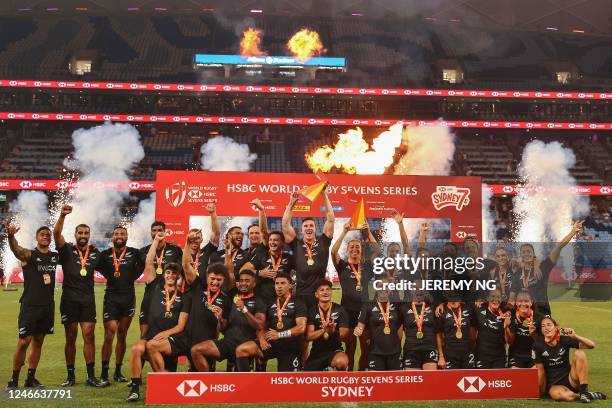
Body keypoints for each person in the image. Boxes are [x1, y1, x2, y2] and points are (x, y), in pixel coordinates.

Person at [126, 232, 188, 402]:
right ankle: (135, 388)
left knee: (166, 370)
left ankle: (165, 382)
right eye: (167, 273)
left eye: (174, 274)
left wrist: (167, 334)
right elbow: (148, 262)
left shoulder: (183, 295)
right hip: (151, 335)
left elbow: (182, 323)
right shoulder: (155, 287)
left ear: (178, 277)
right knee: (137, 349)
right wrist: (156, 241)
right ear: (164, 274)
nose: (170, 276)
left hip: (171, 339)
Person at [53, 205, 103, 387]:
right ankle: (70, 376)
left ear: (89, 236)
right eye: (80, 233)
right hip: (69, 300)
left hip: (87, 300)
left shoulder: (96, 253)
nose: (83, 235)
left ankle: (91, 376)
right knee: (71, 336)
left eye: (86, 233)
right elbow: (56, 234)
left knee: (89, 335)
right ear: (75, 235)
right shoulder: (66, 250)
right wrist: (62, 215)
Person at [5, 225, 58, 389]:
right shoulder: (29, 255)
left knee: (38, 342)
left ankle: (30, 379)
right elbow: (16, 249)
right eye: (42, 234)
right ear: (37, 237)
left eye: (48, 235)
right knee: (23, 342)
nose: (46, 237)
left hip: (47, 306)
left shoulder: (55, 257)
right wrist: (11, 236)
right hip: (30, 305)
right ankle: (13, 381)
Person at [187, 269, 265, 372]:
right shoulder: (231, 297)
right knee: (196, 350)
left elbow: (259, 325)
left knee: (240, 382)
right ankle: (207, 380)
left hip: (245, 346)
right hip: (227, 343)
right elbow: (223, 327)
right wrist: (220, 319)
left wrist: (244, 309)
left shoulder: (259, 301)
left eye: (247, 281)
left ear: (254, 284)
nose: (243, 283)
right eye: (241, 281)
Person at [96, 226, 144, 385]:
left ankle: (117, 371)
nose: (119, 236)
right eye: (116, 233)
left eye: (122, 234)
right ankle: (104, 373)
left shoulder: (135, 253)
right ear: (112, 237)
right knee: (109, 334)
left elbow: (142, 267)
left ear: (127, 236)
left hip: (128, 298)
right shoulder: (104, 255)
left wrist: (132, 276)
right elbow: (96, 266)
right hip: (111, 299)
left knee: (122, 335)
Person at [331, 221, 379, 371]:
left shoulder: (368, 266)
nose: (354, 249)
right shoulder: (343, 266)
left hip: (365, 312)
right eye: (351, 247)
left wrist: (369, 232)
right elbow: (333, 252)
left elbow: (377, 251)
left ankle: (361, 376)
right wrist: (344, 232)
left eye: (357, 247)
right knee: (350, 348)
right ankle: (349, 378)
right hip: (347, 312)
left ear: (361, 250)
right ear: (347, 249)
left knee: (366, 348)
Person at [235, 272, 307, 372]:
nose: (279, 286)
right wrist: (261, 339)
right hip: (271, 343)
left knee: (285, 382)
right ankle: (247, 383)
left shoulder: (299, 302)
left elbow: (301, 328)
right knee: (241, 350)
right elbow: (261, 325)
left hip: (290, 347)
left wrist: (279, 335)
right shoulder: (269, 302)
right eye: (277, 283)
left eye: (283, 283)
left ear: (290, 285)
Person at [510, 221, 584, 315]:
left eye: (529, 251)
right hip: (524, 314)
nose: (526, 254)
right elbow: (512, 296)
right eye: (523, 252)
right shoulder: (517, 273)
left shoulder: (543, 267)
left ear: (533, 255)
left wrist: (573, 232)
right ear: (521, 255)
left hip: (542, 313)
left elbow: (558, 247)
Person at [281, 190, 335, 311]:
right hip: (301, 295)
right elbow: (285, 225)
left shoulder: (324, 241)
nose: (309, 228)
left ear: (316, 228)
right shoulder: (296, 244)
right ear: (301, 230)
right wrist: (291, 203)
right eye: (306, 226)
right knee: (302, 327)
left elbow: (331, 219)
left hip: (320, 294)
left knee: (317, 327)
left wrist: (324, 195)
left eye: (311, 225)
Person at [534, 316, 606, 403]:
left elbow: (591, 345)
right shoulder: (538, 346)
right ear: (541, 330)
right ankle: (585, 395)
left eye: (549, 325)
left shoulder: (564, 340)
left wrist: (575, 336)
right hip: (554, 385)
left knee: (579, 353)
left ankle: (584, 391)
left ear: (556, 327)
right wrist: (541, 391)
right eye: (543, 326)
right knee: (563, 396)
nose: (546, 328)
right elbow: (540, 370)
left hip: (571, 379)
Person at [138, 221, 182, 340]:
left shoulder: (175, 250)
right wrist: (156, 241)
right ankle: (142, 356)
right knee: (144, 334)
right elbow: (148, 263)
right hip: (151, 294)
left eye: (160, 230)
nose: (157, 233)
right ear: (151, 233)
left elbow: (180, 273)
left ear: (165, 232)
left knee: (168, 333)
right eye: (154, 230)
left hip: (169, 296)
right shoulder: (143, 251)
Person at [304, 280, 349, 371]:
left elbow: (344, 335)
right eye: (322, 290)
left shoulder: (340, 310)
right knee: (308, 379)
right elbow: (308, 336)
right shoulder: (312, 311)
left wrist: (333, 332)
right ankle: (326, 369)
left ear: (331, 292)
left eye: (328, 289)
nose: (325, 292)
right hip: (316, 353)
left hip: (335, 351)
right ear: (316, 294)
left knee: (342, 362)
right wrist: (324, 330)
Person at [354, 288, 402, 371]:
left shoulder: (397, 305)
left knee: (395, 382)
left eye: (386, 287)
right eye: (380, 287)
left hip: (394, 352)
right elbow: (360, 325)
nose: (383, 289)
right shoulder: (368, 305)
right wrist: (358, 330)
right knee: (376, 382)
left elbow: (401, 325)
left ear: (390, 290)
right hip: (375, 352)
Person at [241, 231, 293, 306]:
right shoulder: (261, 255)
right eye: (270, 240)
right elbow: (243, 270)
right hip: (264, 299)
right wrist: (260, 272)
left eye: (275, 240)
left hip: (283, 299)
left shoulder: (289, 257)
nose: (272, 242)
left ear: (282, 243)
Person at [436, 292, 477, 369]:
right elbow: (439, 336)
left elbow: (473, 331)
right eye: (451, 292)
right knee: (451, 380)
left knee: (468, 379)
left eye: (455, 292)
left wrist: (472, 346)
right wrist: (441, 356)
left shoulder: (468, 308)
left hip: (467, 352)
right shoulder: (441, 311)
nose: (453, 295)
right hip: (450, 353)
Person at [401, 288, 438, 370]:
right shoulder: (404, 308)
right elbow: (400, 329)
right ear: (411, 291)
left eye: (421, 288)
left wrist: (441, 305)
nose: (418, 290)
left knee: (430, 381)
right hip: (411, 349)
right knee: (414, 381)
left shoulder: (433, 306)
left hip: (429, 348)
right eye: (415, 288)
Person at [474, 289, 512, 369]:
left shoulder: (506, 313)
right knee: (482, 381)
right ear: (487, 298)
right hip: (482, 356)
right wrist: (441, 304)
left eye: (498, 297)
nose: (495, 299)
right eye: (493, 296)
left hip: (499, 357)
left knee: (497, 381)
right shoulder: (479, 309)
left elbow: (509, 341)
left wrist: (506, 326)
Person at [507, 289, 542, 368]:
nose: (523, 304)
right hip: (516, 356)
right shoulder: (511, 317)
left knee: (535, 374)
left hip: (534, 355)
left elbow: (542, 343)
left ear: (531, 302)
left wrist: (533, 334)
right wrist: (506, 327)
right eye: (520, 301)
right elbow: (510, 342)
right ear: (516, 302)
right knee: (516, 376)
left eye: (526, 301)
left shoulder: (539, 318)